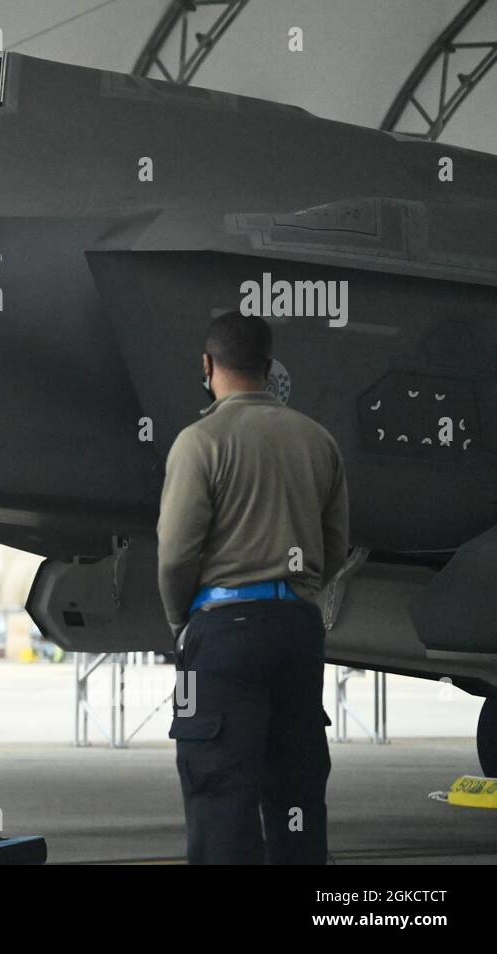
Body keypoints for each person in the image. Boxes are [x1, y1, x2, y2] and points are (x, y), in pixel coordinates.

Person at [158, 309, 349, 865]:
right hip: (297, 630)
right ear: (269, 368)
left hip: (222, 632)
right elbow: (336, 544)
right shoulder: (318, 440)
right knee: (297, 792)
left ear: (207, 365)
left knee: (219, 791)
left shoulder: (200, 441)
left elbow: (176, 553)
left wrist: (181, 623)